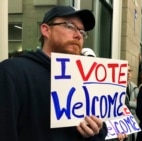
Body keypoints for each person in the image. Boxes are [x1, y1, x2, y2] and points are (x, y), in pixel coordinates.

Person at [0, 5, 108, 141]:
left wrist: (94, 132)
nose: (78, 35)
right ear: (46, 30)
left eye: (82, 31)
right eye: (70, 26)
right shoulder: (12, 73)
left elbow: (100, 130)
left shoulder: (86, 79)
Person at [125, 64, 139, 141]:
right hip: (123, 121)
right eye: (125, 70)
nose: (128, 73)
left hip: (134, 121)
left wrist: (128, 103)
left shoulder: (135, 87)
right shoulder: (118, 87)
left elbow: (139, 104)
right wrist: (133, 103)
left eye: (129, 71)